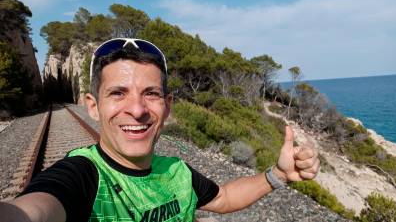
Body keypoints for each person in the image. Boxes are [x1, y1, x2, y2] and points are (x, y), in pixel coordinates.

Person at [0, 38, 320, 222]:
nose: (137, 110)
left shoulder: (177, 173)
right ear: (93, 105)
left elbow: (223, 198)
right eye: (118, 93)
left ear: (166, 106)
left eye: (150, 94)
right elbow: (31, 212)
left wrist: (278, 174)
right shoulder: (81, 175)